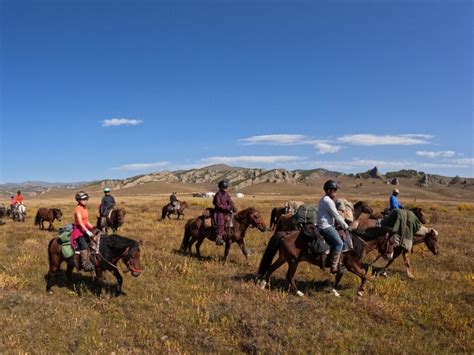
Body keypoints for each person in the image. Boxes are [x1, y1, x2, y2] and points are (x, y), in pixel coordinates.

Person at [316, 180, 349, 273]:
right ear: (329, 190)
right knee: (339, 243)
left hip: (322, 225)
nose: (336, 192)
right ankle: (334, 266)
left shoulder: (324, 199)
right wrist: (346, 226)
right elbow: (336, 215)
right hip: (325, 227)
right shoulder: (328, 201)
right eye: (334, 190)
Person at [70, 191, 95, 271]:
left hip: (84, 228)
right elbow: (80, 222)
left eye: (86, 199)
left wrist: (93, 228)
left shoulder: (84, 208)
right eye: (83, 199)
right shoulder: (78, 209)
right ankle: (85, 264)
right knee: (84, 245)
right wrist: (87, 231)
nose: (86, 200)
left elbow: (86, 221)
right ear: (78, 200)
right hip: (78, 230)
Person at [213, 180, 234, 246]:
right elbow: (218, 204)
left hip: (226, 210)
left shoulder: (226, 194)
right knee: (221, 221)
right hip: (219, 211)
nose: (225, 188)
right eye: (224, 187)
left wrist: (231, 206)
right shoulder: (218, 194)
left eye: (226, 187)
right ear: (220, 187)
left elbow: (230, 201)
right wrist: (227, 208)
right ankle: (219, 237)